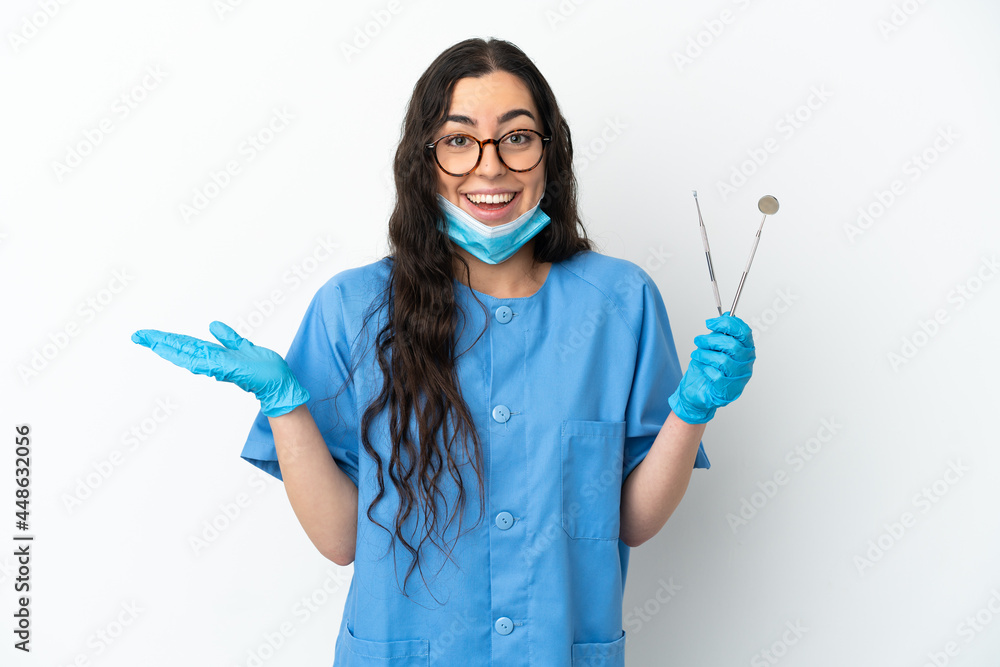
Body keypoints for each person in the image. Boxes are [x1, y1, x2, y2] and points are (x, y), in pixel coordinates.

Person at [131, 37, 755, 667]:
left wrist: (692, 408)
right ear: (422, 160)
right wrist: (284, 405)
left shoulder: (618, 303)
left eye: (517, 137)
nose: (490, 168)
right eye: (458, 141)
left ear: (550, 155)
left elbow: (633, 523)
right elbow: (341, 539)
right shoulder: (353, 308)